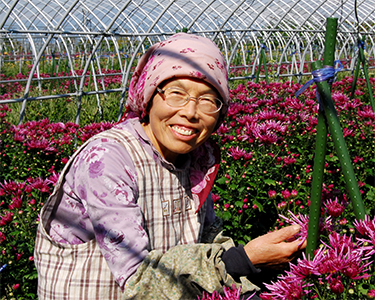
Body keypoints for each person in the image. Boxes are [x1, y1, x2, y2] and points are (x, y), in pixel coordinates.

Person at [34, 33, 306, 300]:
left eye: (208, 100)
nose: (190, 112)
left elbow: (208, 239)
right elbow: (139, 279)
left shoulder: (196, 159)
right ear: (150, 96)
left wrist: (252, 281)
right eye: (176, 93)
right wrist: (242, 260)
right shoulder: (107, 159)